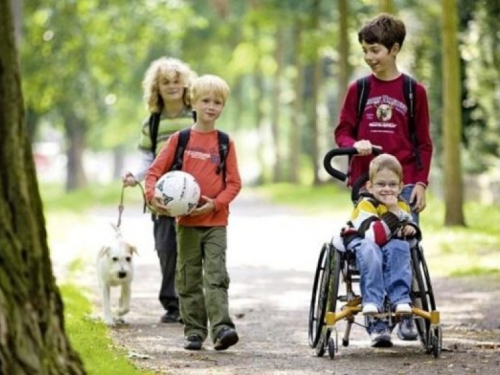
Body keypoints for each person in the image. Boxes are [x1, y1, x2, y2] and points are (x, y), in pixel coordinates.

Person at [334, 13, 433, 341]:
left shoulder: (412, 91)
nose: (369, 58)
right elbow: (342, 131)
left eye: (375, 50)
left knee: (402, 244)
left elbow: (423, 143)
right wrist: (353, 146)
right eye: (364, 50)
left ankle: (404, 313)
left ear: (394, 49)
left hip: (402, 186)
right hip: (367, 184)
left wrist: (420, 183)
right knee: (371, 244)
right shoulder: (359, 89)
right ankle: (377, 322)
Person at [145, 74, 242, 351]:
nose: (211, 106)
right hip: (186, 223)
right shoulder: (181, 139)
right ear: (193, 103)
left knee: (215, 275)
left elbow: (234, 183)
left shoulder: (225, 143)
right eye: (206, 101)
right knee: (188, 277)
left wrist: (216, 203)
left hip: (215, 222)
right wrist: (153, 197)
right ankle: (195, 331)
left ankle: (222, 327)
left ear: (223, 107)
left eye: (218, 102)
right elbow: (154, 173)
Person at [122, 57, 195, 324]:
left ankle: (192, 302)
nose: (173, 86)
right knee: (166, 248)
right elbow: (146, 158)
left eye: (177, 81)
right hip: (162, 198)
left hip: (193, 196)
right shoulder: (151, 123)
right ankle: (171, 302)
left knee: (191, 249)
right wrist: (134, 176)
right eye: (166, 82)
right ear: (157, 88)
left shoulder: (196, 116)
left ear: (186, 85)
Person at [341, 153, 421, 347]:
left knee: (400, 246)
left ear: (401, 187)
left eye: (393, 185)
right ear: (370, 186)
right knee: (372, 250)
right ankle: (373, 300)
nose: (387, 189)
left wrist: (409, 228)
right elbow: (374, 236)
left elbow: (405, 225)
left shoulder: (401, 203)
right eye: (381, 184)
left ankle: (400, 298)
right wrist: (394, 214)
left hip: (389, 245)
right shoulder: (365, 205)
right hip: (363, 243)